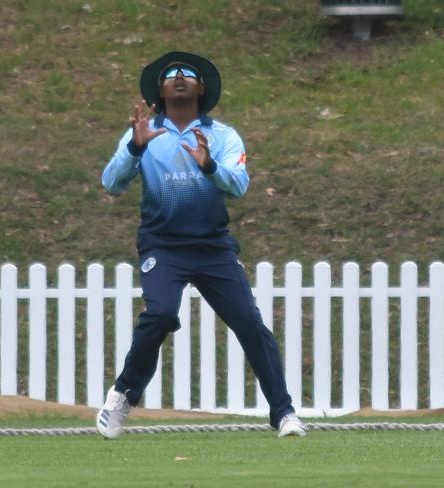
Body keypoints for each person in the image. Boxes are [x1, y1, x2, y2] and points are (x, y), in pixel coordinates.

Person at [98, 51, 306, 439]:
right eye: (171, 74)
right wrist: (134, 150)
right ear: (160, 90)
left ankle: (284, 413)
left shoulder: (223, 136)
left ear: (201, 87)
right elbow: (111, 183)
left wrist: (210, 166)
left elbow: (239, 186)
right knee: (160, 315)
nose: (179, 76)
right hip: (163, 245)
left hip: (213, 247)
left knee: (250, 324)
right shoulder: (141, 132)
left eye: (188, 73)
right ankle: (124, 394)